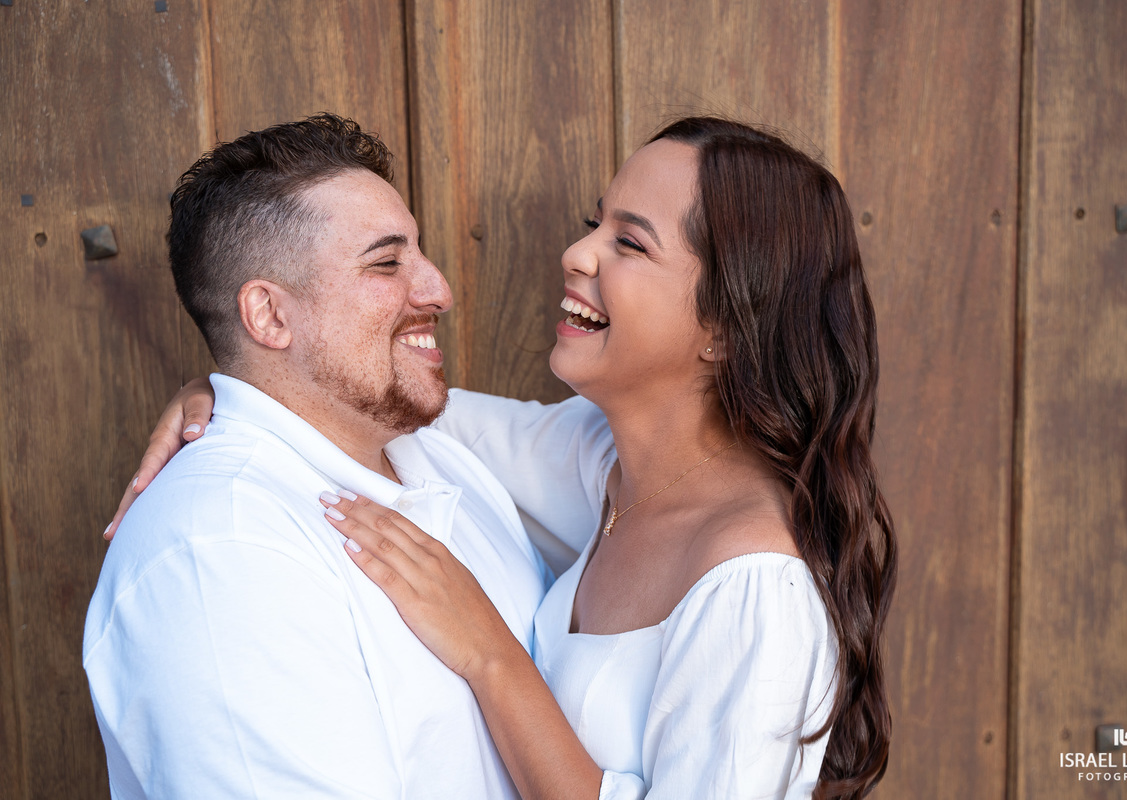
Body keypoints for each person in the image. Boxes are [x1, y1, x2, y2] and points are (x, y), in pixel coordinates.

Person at [113, 117, 897, 799]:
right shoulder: (602, 465)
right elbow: (376, 399)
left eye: (628, 242)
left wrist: (490, 651)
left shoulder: (753, 581)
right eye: (595, 223)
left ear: (728, 326)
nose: (576, 253)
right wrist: (232, 384)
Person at [83, 113, 551, 798]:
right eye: (387, 263)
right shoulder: (218, 550)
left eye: (418, 255)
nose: (438, 290)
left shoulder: (448, 458)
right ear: (269, 315)